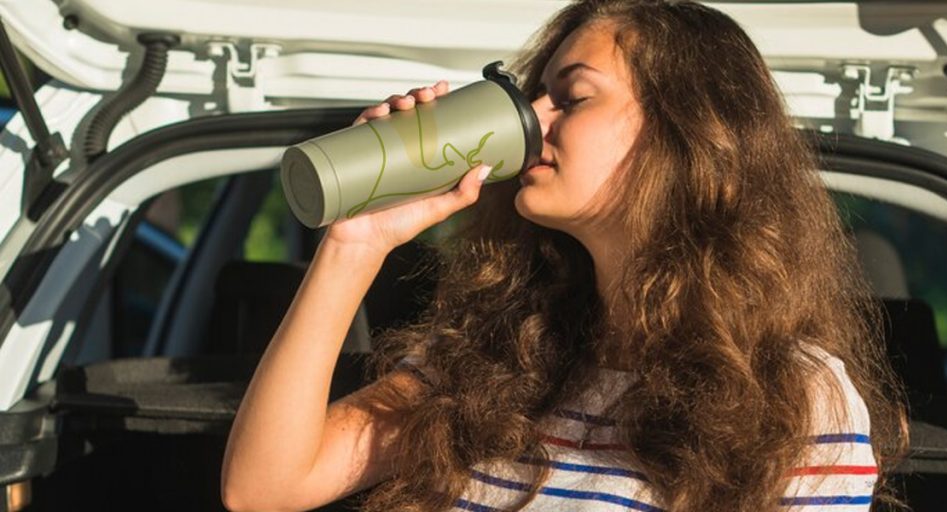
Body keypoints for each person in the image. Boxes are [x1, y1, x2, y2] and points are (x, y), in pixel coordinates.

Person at [221, 1, 909, 511]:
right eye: (533, 96)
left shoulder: (792, 397)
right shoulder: (489, 359)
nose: (533, 121)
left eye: (571, 98)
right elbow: (263, 487)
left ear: (689, 138)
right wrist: (354, 242)